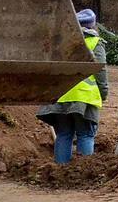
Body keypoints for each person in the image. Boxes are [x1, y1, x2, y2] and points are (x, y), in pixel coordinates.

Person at [36, 9, 110, 163]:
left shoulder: (60, 42)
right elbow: (100, 72)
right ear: (92, 26)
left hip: (60, 95)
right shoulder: (95, 42)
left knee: (64, 133)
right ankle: (83, 173)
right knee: (85, 134)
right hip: (84, 97)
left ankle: (61, 171)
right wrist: (103, 94)